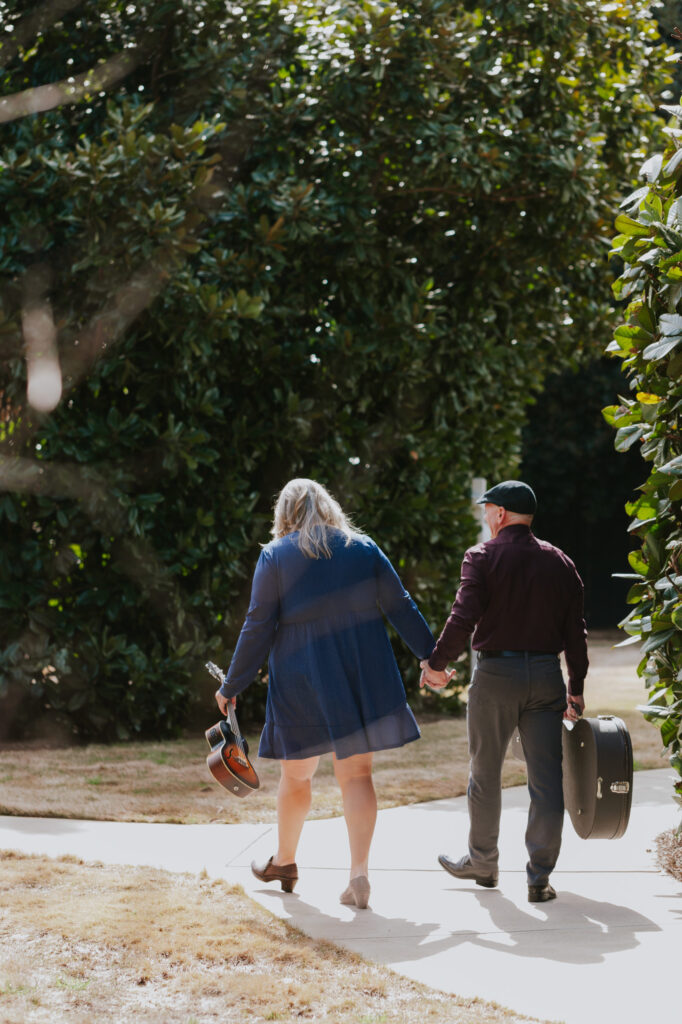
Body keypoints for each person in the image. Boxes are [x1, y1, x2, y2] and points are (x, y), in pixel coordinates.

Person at [214, 478, 435, 909]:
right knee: (356, 775)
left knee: (296, 777)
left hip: (302, 675)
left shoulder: (275, 555)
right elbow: (400, 605)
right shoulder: (363, 548)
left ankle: (286, 861)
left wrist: (232, 684)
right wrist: (432, 658)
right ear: (330, 507)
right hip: (360, 670)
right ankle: (359, 876)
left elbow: (258, 625)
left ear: (285, 515)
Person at [420, 480, 587, 903]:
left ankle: (483, 863)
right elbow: (575, 634)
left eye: (487, 509)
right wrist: (576, 687)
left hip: (496, 676)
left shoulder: (482, 556)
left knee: (485, 772)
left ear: (500, 513)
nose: (485, 516)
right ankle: (539, 878)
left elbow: (463, 617)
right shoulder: (561, 563)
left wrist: (436, 665)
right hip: (547, 677)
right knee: (547, 781)